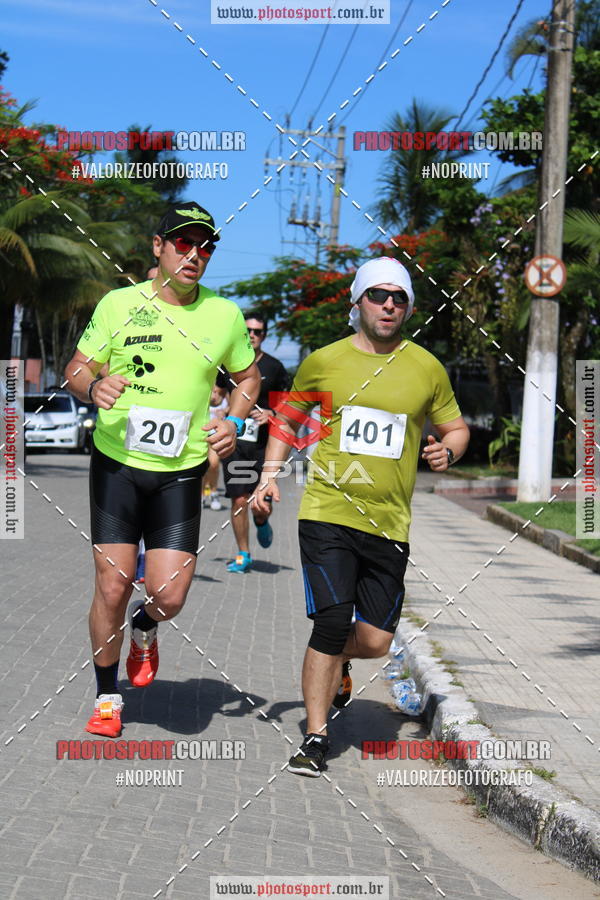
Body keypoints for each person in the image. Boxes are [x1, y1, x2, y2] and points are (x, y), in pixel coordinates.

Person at [252, 257, 470, 776]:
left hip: (389, 523)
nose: (389, 304)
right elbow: (289, 420)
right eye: (378, 295)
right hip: (327, 511)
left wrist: (449, 452)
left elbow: (456, 429)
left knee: (374, 641)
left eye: (399, 297)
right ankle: (315, 734)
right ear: (358, 303)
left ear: (410, 307)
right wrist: (268, 476)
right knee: (329, 622)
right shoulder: (324, 361)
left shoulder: (426, 368)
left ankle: (337, 663)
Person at [65, 201, 260, 738]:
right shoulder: (118, 304)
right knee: (112, 587)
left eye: (206, 246)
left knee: (169, 595)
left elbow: (248, 378)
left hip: (180, 472)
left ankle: (145, 628)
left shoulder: (223, 315)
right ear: (159, 246)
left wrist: (236, 422)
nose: (195, 255)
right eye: (184, 243)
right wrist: (92, 386)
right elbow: (78, 368)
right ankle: (108, 697)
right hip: (117, 465)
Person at [222, 313, 289, 573]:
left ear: (264, 336)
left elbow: (289, 405)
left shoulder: (275, 367)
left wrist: (272, 413)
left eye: (257, 331)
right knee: (239, 499)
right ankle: (243, 554)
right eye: (248, 330)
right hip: (236, 443)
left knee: (260, 505)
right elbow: (217, 394)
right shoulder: (228, 364)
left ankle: (262, 522)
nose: (252, 335)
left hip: (265, 444)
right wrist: (218, 407)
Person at [202, 382, 229, 510]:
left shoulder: (226, 388)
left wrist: (225, 411)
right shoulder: (204, 384)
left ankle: (213, 493)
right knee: (201, 466)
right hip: (200, 431)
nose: (214, 395)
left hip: (216, 433)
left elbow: (234, 407)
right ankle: (202, 494)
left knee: (213, 464)